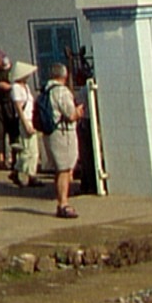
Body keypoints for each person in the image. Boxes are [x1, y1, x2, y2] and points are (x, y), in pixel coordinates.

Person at [41, 62, 86, 217]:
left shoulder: (46, 89)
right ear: (64, 75)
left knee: (60, 169)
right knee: (64, 169)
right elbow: (71, 115)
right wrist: (79, 111)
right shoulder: (62, 92)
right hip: (63, 134)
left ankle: (62, 201)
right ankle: (63, 204)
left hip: (50, 133)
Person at [5, 61, 38, 187]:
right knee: (27, 151)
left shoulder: (26, 87)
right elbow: (18, 108)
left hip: (30, 119)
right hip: (25, 120)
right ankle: (19, 171)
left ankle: (30, 174)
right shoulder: (16, 88)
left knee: (33, 151)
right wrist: (26, 124)